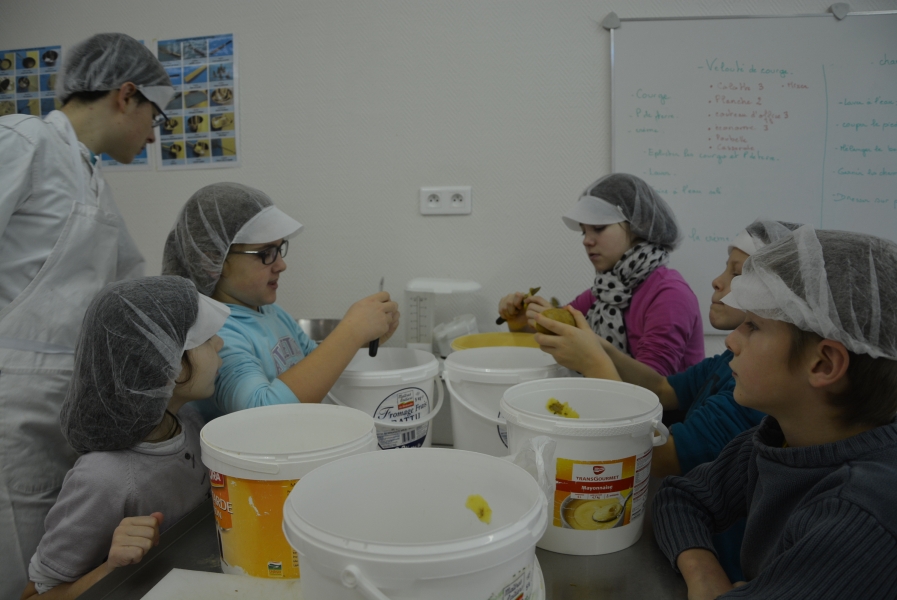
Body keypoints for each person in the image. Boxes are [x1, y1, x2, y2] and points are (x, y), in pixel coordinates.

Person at [0, 33, 174, 596]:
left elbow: (131, 291)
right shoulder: (24, 141)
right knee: (20, 566)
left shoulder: (93, 181)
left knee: (57, 558)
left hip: (66, 401)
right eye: (156, 114)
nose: (155, 133)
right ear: (126, 95)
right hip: (13, 400)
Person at [530, 219, 799, 581]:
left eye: (736, 273)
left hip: (725, 555)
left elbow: (661, 458)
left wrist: (593, 362)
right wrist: (598, 347)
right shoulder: (725, 362)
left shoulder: (755, 391)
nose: (717, 281)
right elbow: (662, 388)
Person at [653, 226, 897, 599]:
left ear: (824, 364)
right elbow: (680, 496)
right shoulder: (778, 439)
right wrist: (705, 575)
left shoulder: (859, 513)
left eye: (753, 326)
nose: (731, 340)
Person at [20, 276, 229, 599]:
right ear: (163, 364)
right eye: (206, 338)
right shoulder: (102, 479)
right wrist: (112, 568)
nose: (220, 344)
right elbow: (35, 596)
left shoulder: (186, 421)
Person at [162, 182, 399, 416]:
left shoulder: (270, 312)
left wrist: (361, 340)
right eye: (265, 253)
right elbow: (261, 412)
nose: (281, 265)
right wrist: (351, 332)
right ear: (212, 260)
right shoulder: (213, 334)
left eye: (279, 248)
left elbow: (314, 364)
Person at [498, 173, 703, 377]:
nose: (586, 241)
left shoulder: (670, 295)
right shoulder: (605, 292)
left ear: (638, 226)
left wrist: (590, 355)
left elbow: (655, 387)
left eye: (598, 228)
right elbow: (555, 342)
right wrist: (522, 322)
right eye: (584, 232)